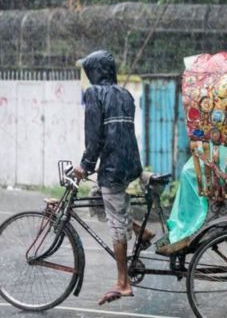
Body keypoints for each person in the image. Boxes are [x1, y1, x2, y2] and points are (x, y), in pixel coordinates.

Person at [73, 50, 153, 305]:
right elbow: (119, 131)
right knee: (100, 197)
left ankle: (123, 282)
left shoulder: (94, 94)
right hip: (131, 164)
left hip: (114, 167)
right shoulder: (125, 94)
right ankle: (142, 232)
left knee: (115, 221)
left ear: (96, 72)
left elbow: (94, 135)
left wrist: (85, 165)